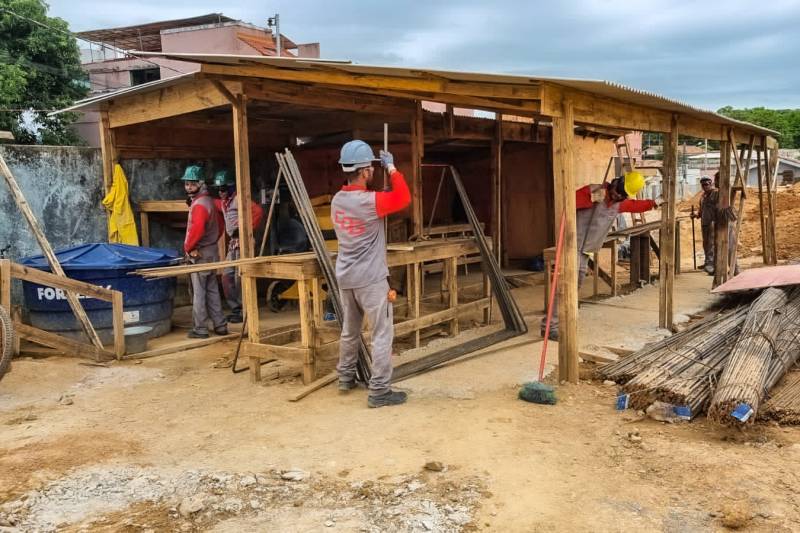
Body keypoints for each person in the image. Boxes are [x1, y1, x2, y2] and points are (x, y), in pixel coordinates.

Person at [331, 140, 411, 408]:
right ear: (365, 171)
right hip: (371, 280)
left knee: (349, 331)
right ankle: (379, 391)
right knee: (381, 334)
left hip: (346, 277)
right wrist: (392, 169)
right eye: (372, 168)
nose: (373, 172)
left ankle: (345, 377)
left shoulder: (337, 201)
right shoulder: (369, 202)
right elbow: (402, 198)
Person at [541, 171, 662, 340]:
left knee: (575, 285)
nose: (618, 195)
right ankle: (550, 326)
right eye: (618, 190)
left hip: (584, 249)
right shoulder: (592, 191)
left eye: (623, 194)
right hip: (571, 244)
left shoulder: (618, 204)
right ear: (616, 182)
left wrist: (654, 203)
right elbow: (568, 203)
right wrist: (590, 198)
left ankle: (562, 320)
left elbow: (635, 205)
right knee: (564, 285)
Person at [182, 165, 227, 339]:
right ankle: (220, 325)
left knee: (199, 292)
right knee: (212, 290)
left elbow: (196, 230)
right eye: (186, 184)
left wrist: (188, 248)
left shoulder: (200, 205)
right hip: (212, 251)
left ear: (200, 184)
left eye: (192, 184)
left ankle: (200, 328)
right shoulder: (210, 202)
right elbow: (221, 225)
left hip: (200, 253)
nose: (188, 187)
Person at [213, 170, 264, 323]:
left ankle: (245, 309)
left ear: (231, 187)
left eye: (223, 189)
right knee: (227, 275)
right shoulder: (224, 202)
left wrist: (245, 227)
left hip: (244, 242)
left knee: (240, 277)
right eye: (219, 189)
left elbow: (258, 211)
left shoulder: (239, 200)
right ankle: (236, 308)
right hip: (233, 243)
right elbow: (213, 202)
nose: (220, 192)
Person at [692, 175, 719, 275]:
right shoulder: (703, 196)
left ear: (711, 184)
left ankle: (711, 264)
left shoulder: (716, 194)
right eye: (703, 185)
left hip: (713, 223)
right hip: (705, 223)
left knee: (711, 244)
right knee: (706, 244)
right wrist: (696, 215)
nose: (705, 186)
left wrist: (715, 221)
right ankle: (707, 262)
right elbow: (701, 210)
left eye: (707, 184)